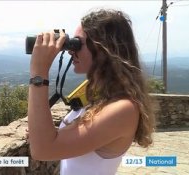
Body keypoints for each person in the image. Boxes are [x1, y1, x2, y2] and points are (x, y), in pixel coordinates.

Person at [27, 8, 155, 175]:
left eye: (77, 43)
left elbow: (43, 150)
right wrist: (40, 129)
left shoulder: (123, 109)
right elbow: (53, 141)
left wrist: (39, 72)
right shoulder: (100, 98)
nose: (71, 50)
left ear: (103, 49)